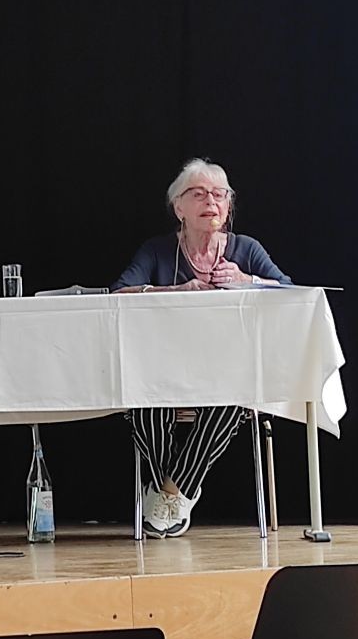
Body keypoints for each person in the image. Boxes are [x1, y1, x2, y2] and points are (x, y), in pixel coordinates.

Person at [110, 158, 291, 538]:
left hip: (227, 371)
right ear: (179, 207)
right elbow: (120, 293)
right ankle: (174, 492)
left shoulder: (246, 248)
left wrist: (248, 279)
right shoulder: (157, 250)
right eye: (199, 194)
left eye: (219, 194)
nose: (211, 201)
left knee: (231, 402)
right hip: (163, 370)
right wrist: (176, 290)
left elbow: (289, 291)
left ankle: (169, 493)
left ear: (228, 205)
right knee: (144, 407)